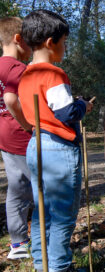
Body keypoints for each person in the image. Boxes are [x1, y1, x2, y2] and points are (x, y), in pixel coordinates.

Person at [19, 10, 93, 272]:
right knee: (62, 215)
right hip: (58, 149)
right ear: (51, 43)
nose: (65, 48)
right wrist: (83, 105)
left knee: (43, 212)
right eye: (64, 42)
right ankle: (60, 267)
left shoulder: (25, 75)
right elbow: (67, 113)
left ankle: (43, 265)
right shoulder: (54, 74)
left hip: (36, 144)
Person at [0, 17, 33, 260]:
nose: (33, 47)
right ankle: (37, 238)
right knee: (37, 187)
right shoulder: (18, 68)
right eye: (31, 42)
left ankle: (18, 242)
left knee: (16, 187)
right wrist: (28, 126)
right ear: (18, 39)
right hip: (20, 136)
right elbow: (11, 100)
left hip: (4, 136)